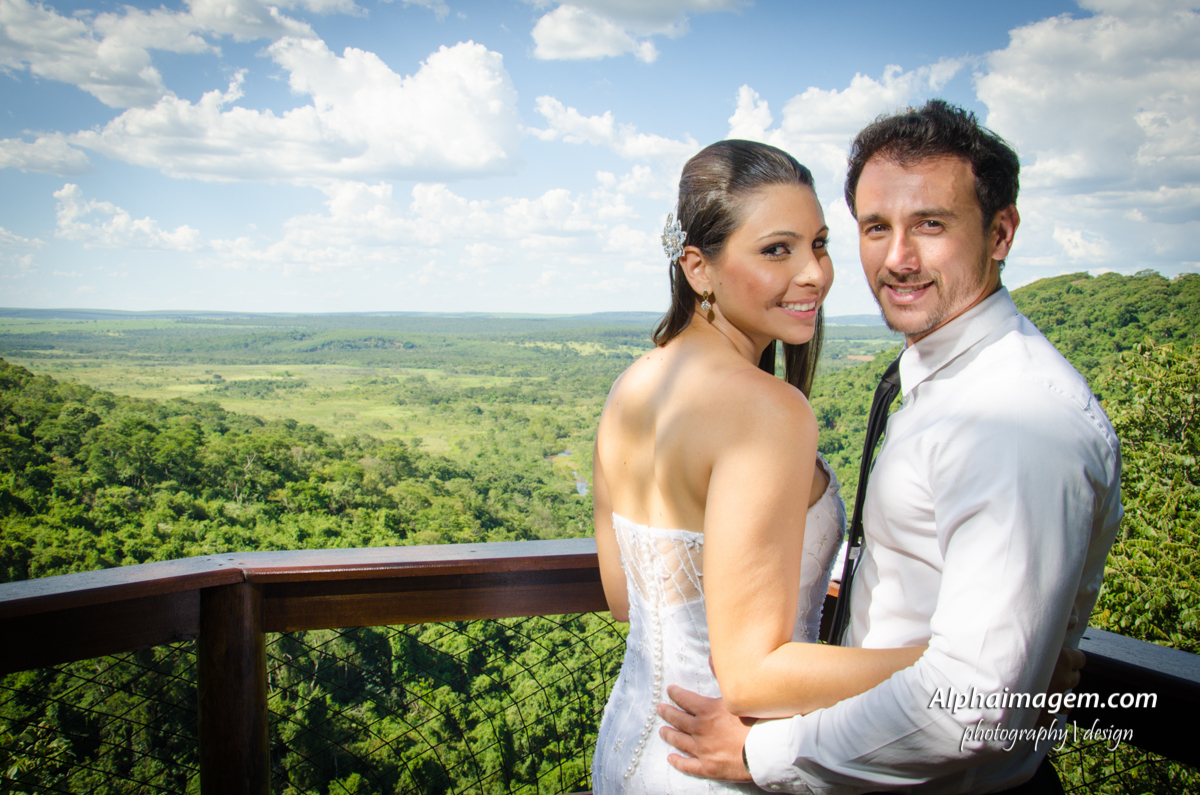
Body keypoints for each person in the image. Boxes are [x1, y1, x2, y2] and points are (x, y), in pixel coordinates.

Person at [657, 101, 1122, 793]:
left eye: (931, 224)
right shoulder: (939, 383)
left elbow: (972, 710)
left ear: (1001, 232)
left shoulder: (1017, 421)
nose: (897, 259)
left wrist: (765, 754)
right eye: (876, 228)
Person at [590, 140, 928, 794]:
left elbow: (621, 598)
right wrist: (964, 665)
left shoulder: (631, 387)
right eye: (778, 249)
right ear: (698, 268)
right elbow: (752, 677)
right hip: (719, 760)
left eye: (820, 243)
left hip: (631, 747)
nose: (815, 274)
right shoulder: (770, 412)